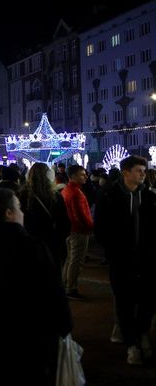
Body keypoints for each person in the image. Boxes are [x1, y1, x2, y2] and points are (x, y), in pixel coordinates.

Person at [0, 188, 72, 386]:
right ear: (8, 213)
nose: (23, 213)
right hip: (27, 335)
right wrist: (64, 325)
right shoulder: (30, 247)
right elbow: (52, 291)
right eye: (19, 208)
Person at [95, 156, 156, 365]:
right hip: (121, 260)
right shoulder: (109, 195)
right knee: (125, 303)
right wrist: (114, 251)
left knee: (148, 301)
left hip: (147, 259)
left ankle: (142, 333)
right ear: (126, 172)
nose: (143, 174)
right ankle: (132, 344)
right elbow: (101, 228)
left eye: (144, 170)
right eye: (139, 170)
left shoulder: (149, 196)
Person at [18, 162, 71, 268]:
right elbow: (65, 224)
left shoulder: (21, 195)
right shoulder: (55, 196)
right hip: (50, 242)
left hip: (27, 242)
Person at [61, 164, 94, 300]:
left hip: (70, 229)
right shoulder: (76, 193)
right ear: (73, 176)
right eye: (82, 174)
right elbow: (81, 215)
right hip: (79, 230)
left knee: (70, 259)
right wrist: (90, 227)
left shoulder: (66, 190)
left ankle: (66, 284)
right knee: (76, 260)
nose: (85, 176)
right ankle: (71, 288)